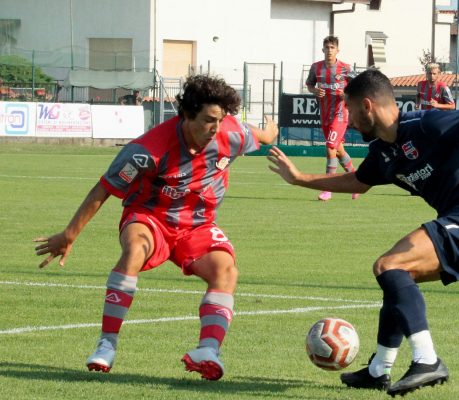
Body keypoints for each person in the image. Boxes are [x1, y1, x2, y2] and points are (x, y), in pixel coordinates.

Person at [268, 69, 459, 397]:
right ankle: (378, 370)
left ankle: (427, 360)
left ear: (368, 106)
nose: (351, 122)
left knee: (390, 266)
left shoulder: (425, 125)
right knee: (397, 279)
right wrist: (300, 179)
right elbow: (358, 182)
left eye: (351, 112)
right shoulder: (383, 152)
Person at [34, 74, 278, 381]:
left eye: (220, 120)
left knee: (226, 270)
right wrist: (69, 235)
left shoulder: (228, 134)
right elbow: (103, 189)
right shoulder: (146, 150)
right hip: (150, 217)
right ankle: (107, 343)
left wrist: (270, 129)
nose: (215, 129)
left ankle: (208, 350)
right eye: (208, 120)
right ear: (187, 114)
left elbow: (263, 136)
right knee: (135, 250)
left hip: (198, 225)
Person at [306, 35, 359, 201]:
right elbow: (309, 85)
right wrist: (315, 91)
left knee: (330, 147)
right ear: (323, 50)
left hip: (341, 114)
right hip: (325, 114)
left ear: (337, 50)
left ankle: (328, 189)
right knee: (338, 150)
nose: (329, 51)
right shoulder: (316, 68)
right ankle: (357, 181)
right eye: (327, 48)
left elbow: (358, 86)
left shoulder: (345, 68)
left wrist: (348, 94)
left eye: (332, 48)